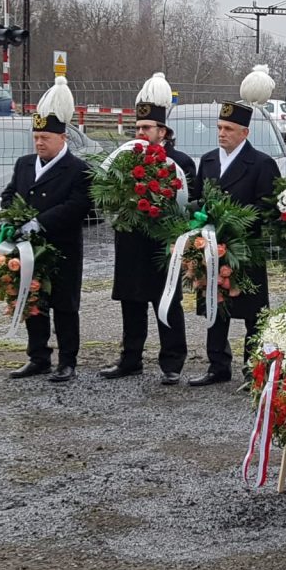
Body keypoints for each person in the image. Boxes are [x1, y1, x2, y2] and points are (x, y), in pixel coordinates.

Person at [101, 73, 197, 385]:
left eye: (147, 128)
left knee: (166, 301)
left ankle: (172, 362)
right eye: (138, 127)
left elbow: (188, 204)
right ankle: (130, 359)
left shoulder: (181, 162)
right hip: (129, 240)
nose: (141, 132)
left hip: (162, 245)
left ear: (163, 131)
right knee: (131, 300)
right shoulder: (125, 160)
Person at [188, 65, 280, 387]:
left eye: (228, 128)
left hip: (246, 249)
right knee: (216, 306)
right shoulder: (209, 160)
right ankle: (217, 365)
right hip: (213, 249)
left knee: (253, 314)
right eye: (219, 127)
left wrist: (234, 220)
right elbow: (197, 198)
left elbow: (267, 209)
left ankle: (252, 370)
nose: (222, 133)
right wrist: (199, 216)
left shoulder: (262, 165)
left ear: (245, 133)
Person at [2, 76, 92, 384]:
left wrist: (40, 222)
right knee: (33, 300)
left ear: (62, 138)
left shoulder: (78, 170)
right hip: (29, 249)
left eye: (45, 138)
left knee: (65, 305)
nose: (39, 142)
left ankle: (68, 361)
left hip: (62, 247)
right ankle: (38, 357)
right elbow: (10, 192)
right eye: (36, 137)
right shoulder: (25, 164)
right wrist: (12, 216)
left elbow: (77, 206)